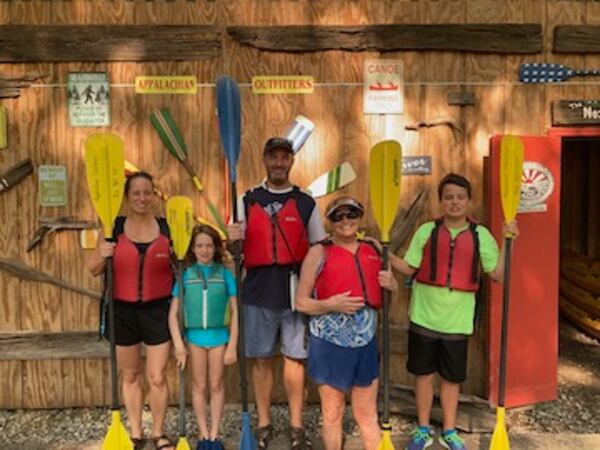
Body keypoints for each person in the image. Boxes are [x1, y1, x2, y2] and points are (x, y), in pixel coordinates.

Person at [389, 173, 519, 450]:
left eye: (460, 197)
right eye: (448, 197)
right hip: (423, 317)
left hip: (457, 322)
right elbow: (408, 268)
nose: (454, 202)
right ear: (441, 201)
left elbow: (497, 275)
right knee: (422, 375)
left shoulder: (481, 235)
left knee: (451, 379)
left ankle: (449, 430)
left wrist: (510, 243)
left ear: (468, 201)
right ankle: (423, 429)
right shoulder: (426, 231)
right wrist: (384, 252)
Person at [227, 137, 327, 449]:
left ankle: (296, 424)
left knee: (296, 359)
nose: (279, 162)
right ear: (265, 160)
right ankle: (265, 422)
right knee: (261, 360)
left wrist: (312, 290)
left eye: (285, 157)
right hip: (258, 289)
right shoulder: (245, 199)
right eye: (274, 157)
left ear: (291, 161)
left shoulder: (306, 202)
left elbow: (319, 247)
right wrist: (232, 239)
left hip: (294, 290)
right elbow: (234, 250)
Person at [295, 196, 398, 450]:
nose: (345, 221)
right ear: (330, 222)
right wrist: (331, 304)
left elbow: (386, 303)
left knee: (366, 414)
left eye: (351, 214)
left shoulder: (373, 248)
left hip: (365, 344)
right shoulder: (318, 252)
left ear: (359, 217)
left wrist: (393, 288)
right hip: (330, 345)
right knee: (332, 412)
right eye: (338, 217)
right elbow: (301, 303)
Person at [87, 172, 175, 450]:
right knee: (130, 375)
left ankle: (159, 433)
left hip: (158, 310)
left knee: (158, 377)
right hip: (122, 311)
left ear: (153, 195)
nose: (142, 198)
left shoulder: (166, 228)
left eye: (147, 192)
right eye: (136, 193)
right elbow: (92, 269)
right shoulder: (114, 226)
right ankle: (136, 434)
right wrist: (103, 252)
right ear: (126, 197)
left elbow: (186, 261)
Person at [168, 224, 238, 450]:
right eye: (200, 246)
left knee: (216, 384)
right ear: (193, 249)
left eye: (209, 245)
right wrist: (179, 344)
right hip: (195, 338)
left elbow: (236, 312)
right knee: (198, 385)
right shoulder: (185, 276)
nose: (205, 250)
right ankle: (203, 433)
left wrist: (232, 345)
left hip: (219, 337)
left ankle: (215, 434)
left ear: (215, 248)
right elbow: (173, 314)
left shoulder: (225, 274)